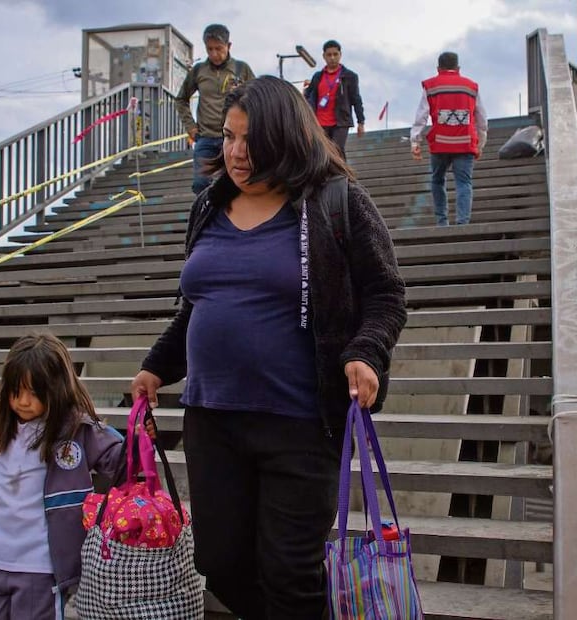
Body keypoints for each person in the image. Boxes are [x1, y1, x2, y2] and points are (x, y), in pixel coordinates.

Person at [131, 75, 406, 619]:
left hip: (299, 425)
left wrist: (367, 351)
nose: (234, 151)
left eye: (248, 140)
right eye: (229, 137)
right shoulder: (209, 206)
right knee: (220, 563)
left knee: (290, 571)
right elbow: (196, 308)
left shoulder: (335, 201)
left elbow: (386, 294)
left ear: (284, 138)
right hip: (212, 421)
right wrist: (156, 368)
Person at [0, 333, 142, 618]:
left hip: (41, 565)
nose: (23, 401)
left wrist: (140, 442)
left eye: (34, 393)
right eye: (16, 391)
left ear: (56, 389)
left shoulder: (76, 428)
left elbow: (118, 462)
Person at [175, 23, 256, 195]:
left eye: (218, 49)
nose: (214, 54)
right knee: (200, 184)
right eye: (209, 49)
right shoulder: (199, 71)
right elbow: (181, 99)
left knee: (236, 184)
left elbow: (258, 99)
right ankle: (205, 218)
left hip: (235, 138)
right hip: (206, 137)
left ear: (229, 46)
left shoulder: (242, 69)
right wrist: (190, 126)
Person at [410, 51, 488, 226]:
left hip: (440, 143)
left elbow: (421, 116)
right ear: (458, 68)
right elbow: (481, 118)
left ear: (438, 68)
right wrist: (480, 143)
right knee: (464, 183)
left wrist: (415, 141)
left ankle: (442, 221)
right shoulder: (471, 87)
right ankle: (462, 222)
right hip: (465, 143)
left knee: (437, 180)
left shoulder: (430, 86)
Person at [303, 40, 366, 159]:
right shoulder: (318, 76)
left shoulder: (349, 76)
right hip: (319, 122)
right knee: (322, 153)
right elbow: (308, 96)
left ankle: (343, 176)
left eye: (335, 54)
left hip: (340, 121)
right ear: (324, 56)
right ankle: (327, 177)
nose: (332, 58)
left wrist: (360, 122)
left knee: (337, 150)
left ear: (340, 55)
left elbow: (356, 99)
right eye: (329, 55)